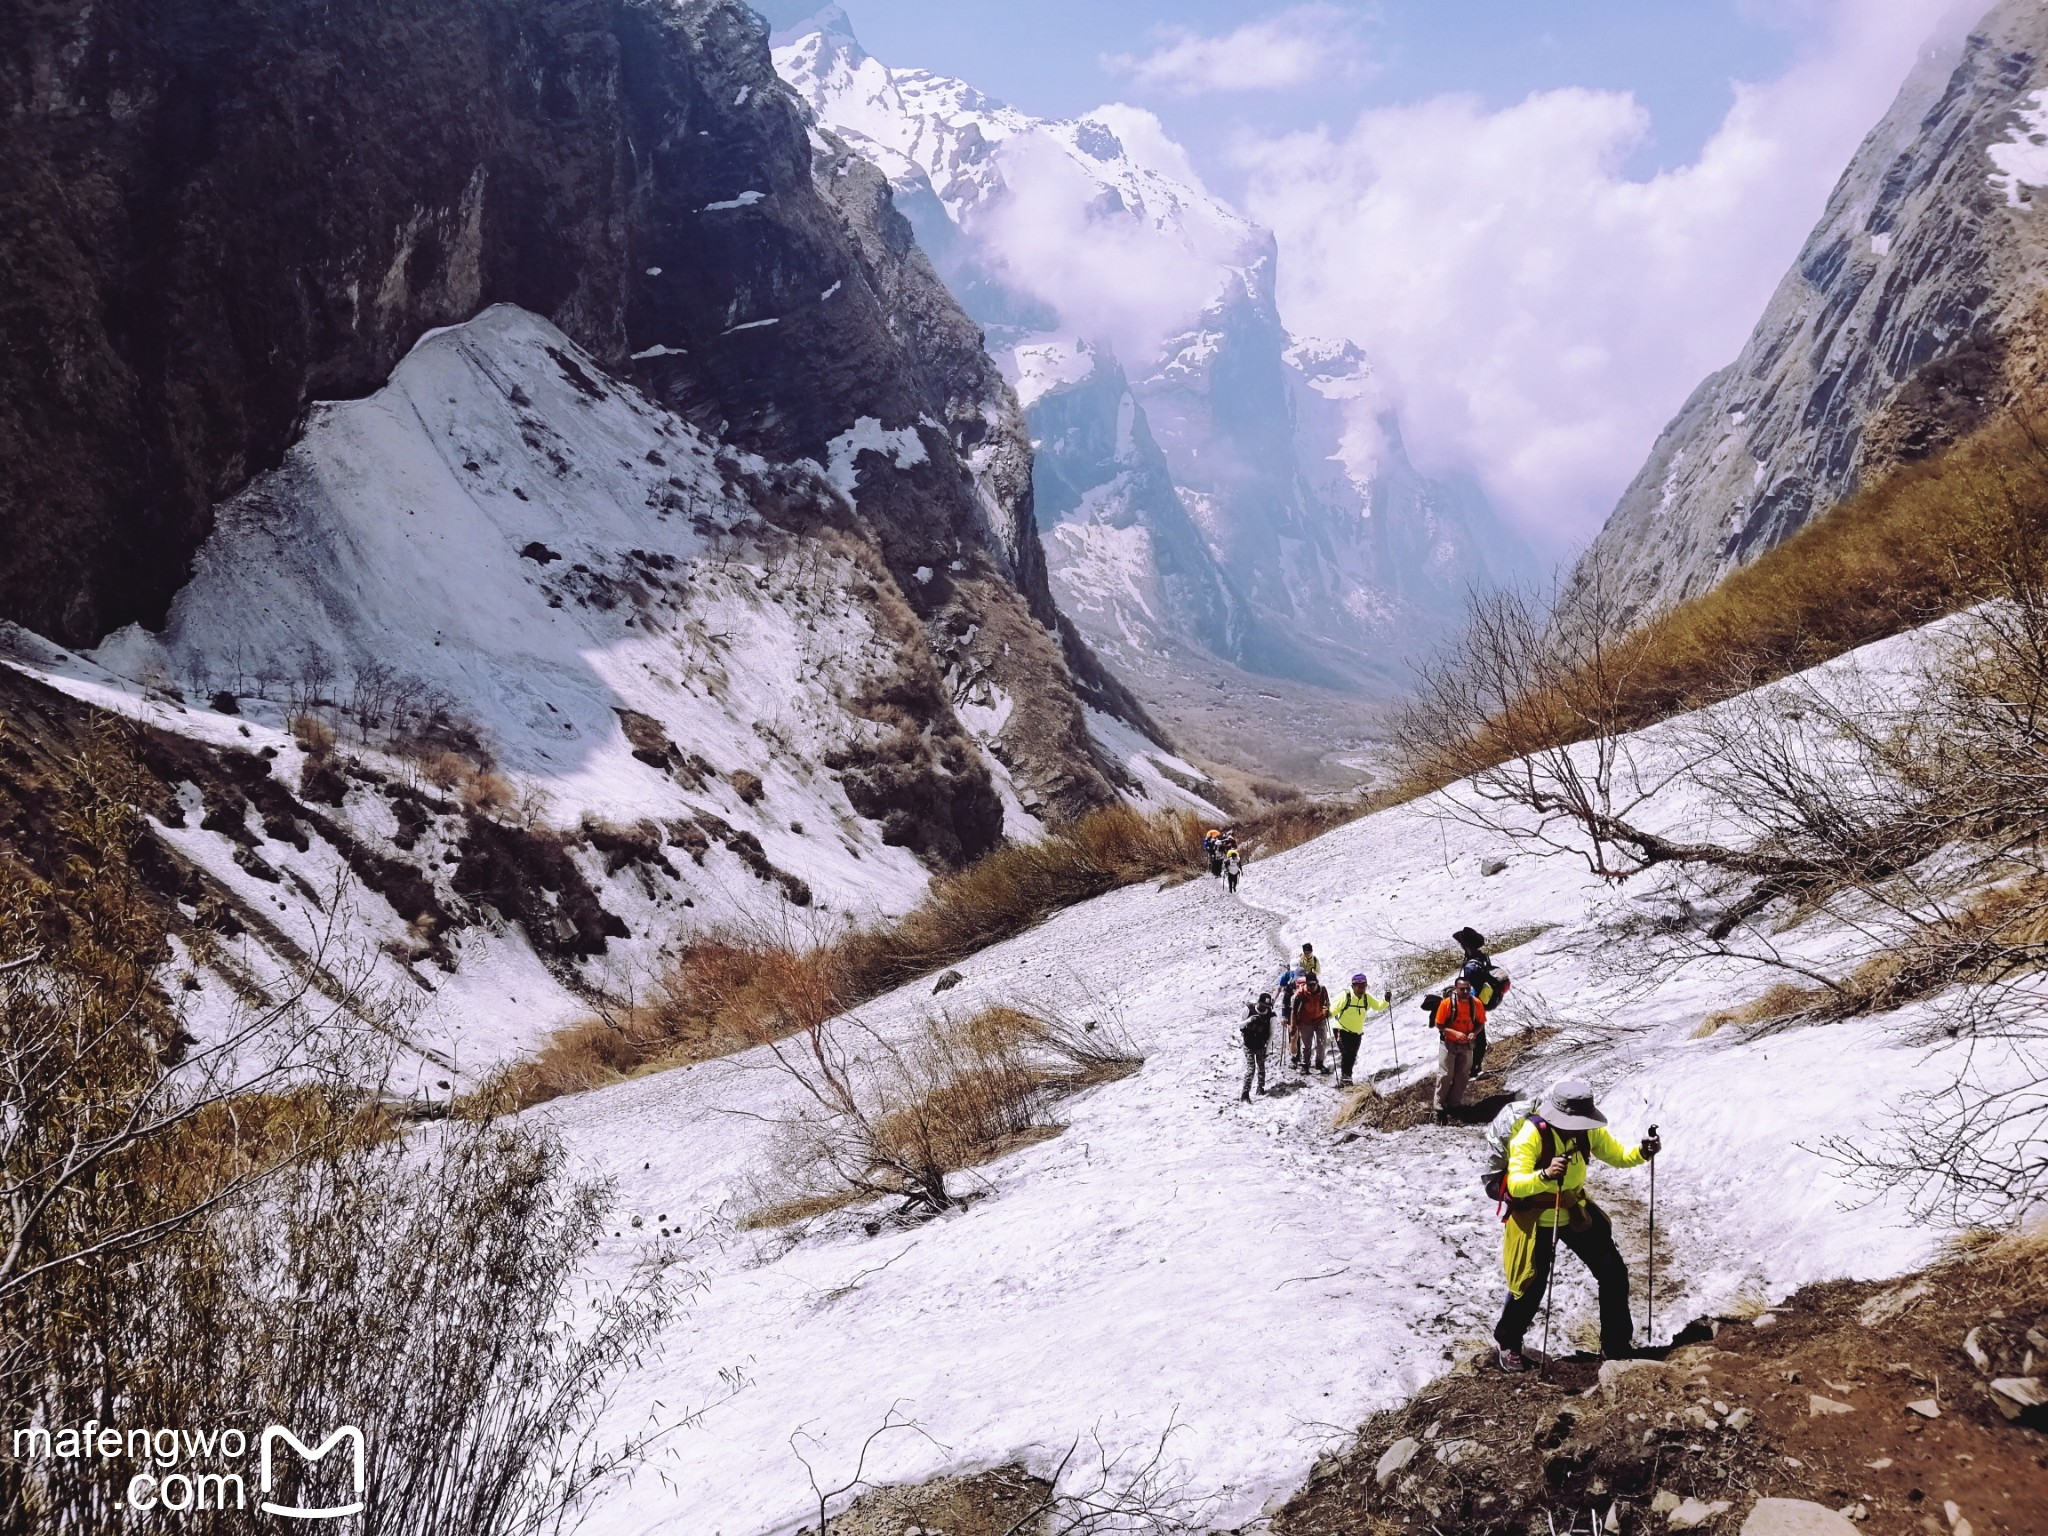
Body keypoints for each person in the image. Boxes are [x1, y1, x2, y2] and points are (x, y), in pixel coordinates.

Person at [1493, 1079, 1661, 1372]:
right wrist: (1544, 1175)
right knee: (1530, 1284)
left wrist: (1642, 1153)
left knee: (1613, 1273)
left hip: (1573, 1211)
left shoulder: (1587, 1131)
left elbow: (1617, 1155)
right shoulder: (1531, 1135)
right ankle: (1507, 1343)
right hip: (1536, 1219)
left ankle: (1616, 1348)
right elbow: (1517, 1185)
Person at [1431, 975, 1486, 1122]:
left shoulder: (1476, 1004)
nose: (1466, 992)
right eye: (1462, 989)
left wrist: (1474, 1033)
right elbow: (1439, 1024)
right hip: (1448, 1043)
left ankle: (1454, 1103)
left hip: (1466, 1045)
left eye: (1468, 989)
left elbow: (1481, 1022)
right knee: (1446, 1074)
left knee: (1462, 1075)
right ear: (1456, 989)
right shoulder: (1447, 1004)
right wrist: (1454, 1033)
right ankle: (1439, 1105)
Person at [1330, 973, 1389, 1086]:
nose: (1362, 988)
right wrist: (1327, 1013)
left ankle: (1347, 1077)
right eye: (1359, 986)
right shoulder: (1345, 996)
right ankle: (1345, 1078)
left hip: (1356, 1032)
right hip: (1341, 1029)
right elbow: (1335, 1008)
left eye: (1364, 985)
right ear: (1353, 986)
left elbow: (1379, 1006)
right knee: (1346, 1053)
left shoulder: (1367, 998)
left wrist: (1386, 1000)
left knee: (1352, 1054)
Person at [1291, 971, 1330, 1073]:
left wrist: (1326, 1010)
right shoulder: (1300, 994)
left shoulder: (1323, 990)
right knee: (1306, 1045)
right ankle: (1305, 1065)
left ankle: (1319, 1063)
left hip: (1320, 1019)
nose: (1312, 986)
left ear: (1317, 983)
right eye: (1309, 985)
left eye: (1313, 984)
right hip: (1305, 1021)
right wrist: (1294, 1026)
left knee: (1322, 1042)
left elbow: (1327, 1003)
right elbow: (1294, 1012)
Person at [1239, 993, 1274, 1101]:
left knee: (1261, 1067)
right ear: (1258, 1002)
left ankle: (1260, 1087)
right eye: (1262, 1005)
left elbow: (1271, 1034)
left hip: (1261, 1045)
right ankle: (1245, 1093)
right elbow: (1240, 1025)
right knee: (1251, 1069)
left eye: (1266, 1007)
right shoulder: (1248, 1009)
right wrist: (1249, 1020)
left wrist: (1267, 1049)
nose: (1264, 1008)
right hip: (1248, 1044)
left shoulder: (1271, 1016)